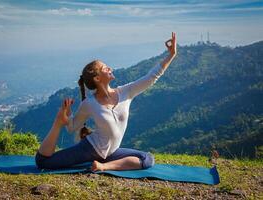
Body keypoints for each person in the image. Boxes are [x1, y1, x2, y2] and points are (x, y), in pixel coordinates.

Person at [35, 32, 177, 171]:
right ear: (97, 78)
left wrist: (171, 55)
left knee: (147, 159)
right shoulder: (89, 104)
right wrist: (62, 121)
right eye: (105, 68)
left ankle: (103, 166)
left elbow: (151, 77)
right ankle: (101, 163)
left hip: (110, 153)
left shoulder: (126, 92)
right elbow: (72, 127)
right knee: (43, 162)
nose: (110, 68)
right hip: (89, 149)